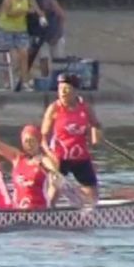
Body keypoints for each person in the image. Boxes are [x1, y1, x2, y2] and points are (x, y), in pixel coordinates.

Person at [41, 72, 102, 205]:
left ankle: (91, 215)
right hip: (60, 158)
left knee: (93, 194)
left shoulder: (85, 108)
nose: (62, 93)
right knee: (54, 190)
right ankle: (49, 212)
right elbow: (43, 139)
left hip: (81, 157)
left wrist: (95, 135)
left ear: (75, 91)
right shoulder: (54, 109)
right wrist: (50, 155)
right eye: (60, 89)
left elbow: (96, 125)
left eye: (66, 89)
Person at [0, 108, 58, 210]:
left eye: (32, 141)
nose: (29, 145)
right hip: (18, 212)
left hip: (39, 211)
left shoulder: (43, 161)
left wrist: (54, 173)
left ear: (38, 142)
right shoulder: (17, 158)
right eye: (26, 141)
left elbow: (54, 172)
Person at [0, 0, 47, 92]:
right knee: (10, 57)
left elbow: (36, 8)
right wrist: (24, 11)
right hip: (6, 29)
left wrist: (42, 18)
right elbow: (7, 12)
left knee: (24, 55)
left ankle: (24, 81)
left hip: (21, 29)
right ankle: (7, 82)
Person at [27, 0, 67, 79]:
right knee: (43, 58)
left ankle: (59, 78)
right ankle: (46, 78)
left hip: (55, 34)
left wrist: (58, 34)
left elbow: (62, 17)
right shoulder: (31, 5)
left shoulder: (52, 3)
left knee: (58, 59)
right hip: (40, 36)